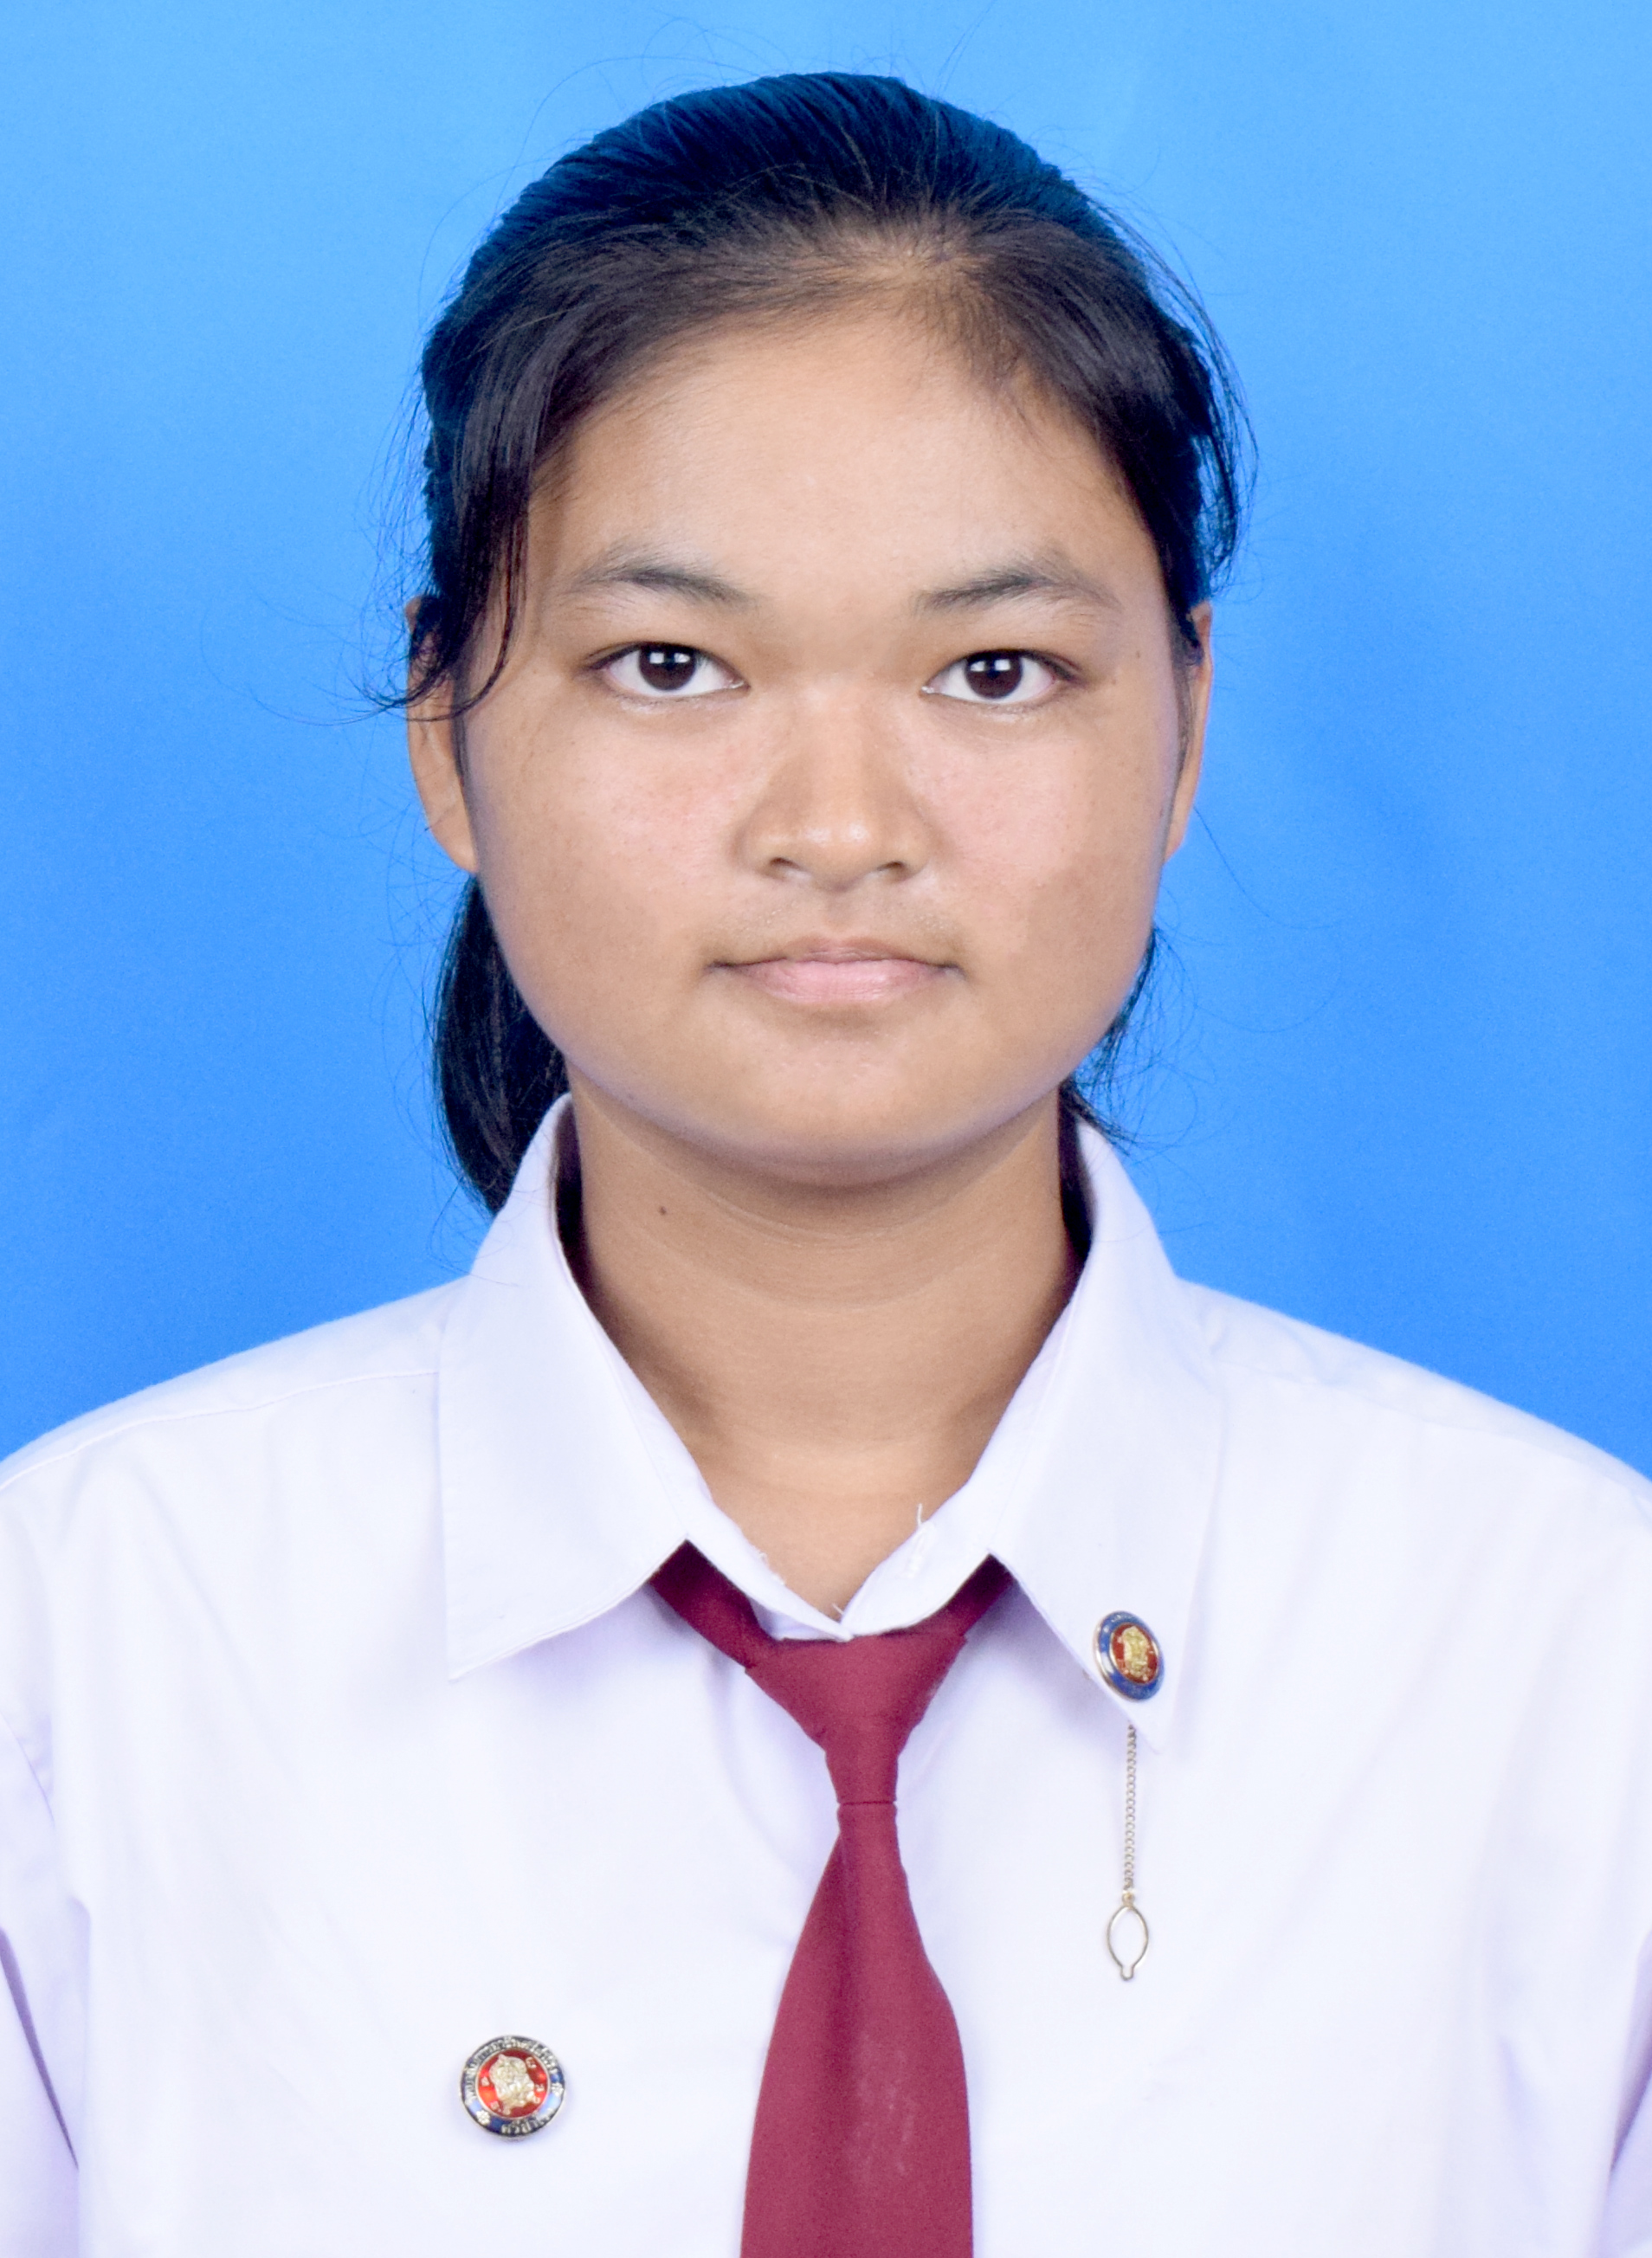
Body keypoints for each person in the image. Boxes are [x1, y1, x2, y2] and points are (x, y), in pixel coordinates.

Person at [2, 69, 1649, 2258]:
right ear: (447, 732)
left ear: (1184, 719)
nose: (842, 824)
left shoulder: (1574, 1664)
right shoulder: (82, 1653)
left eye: (996, 668)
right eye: (672, 663)